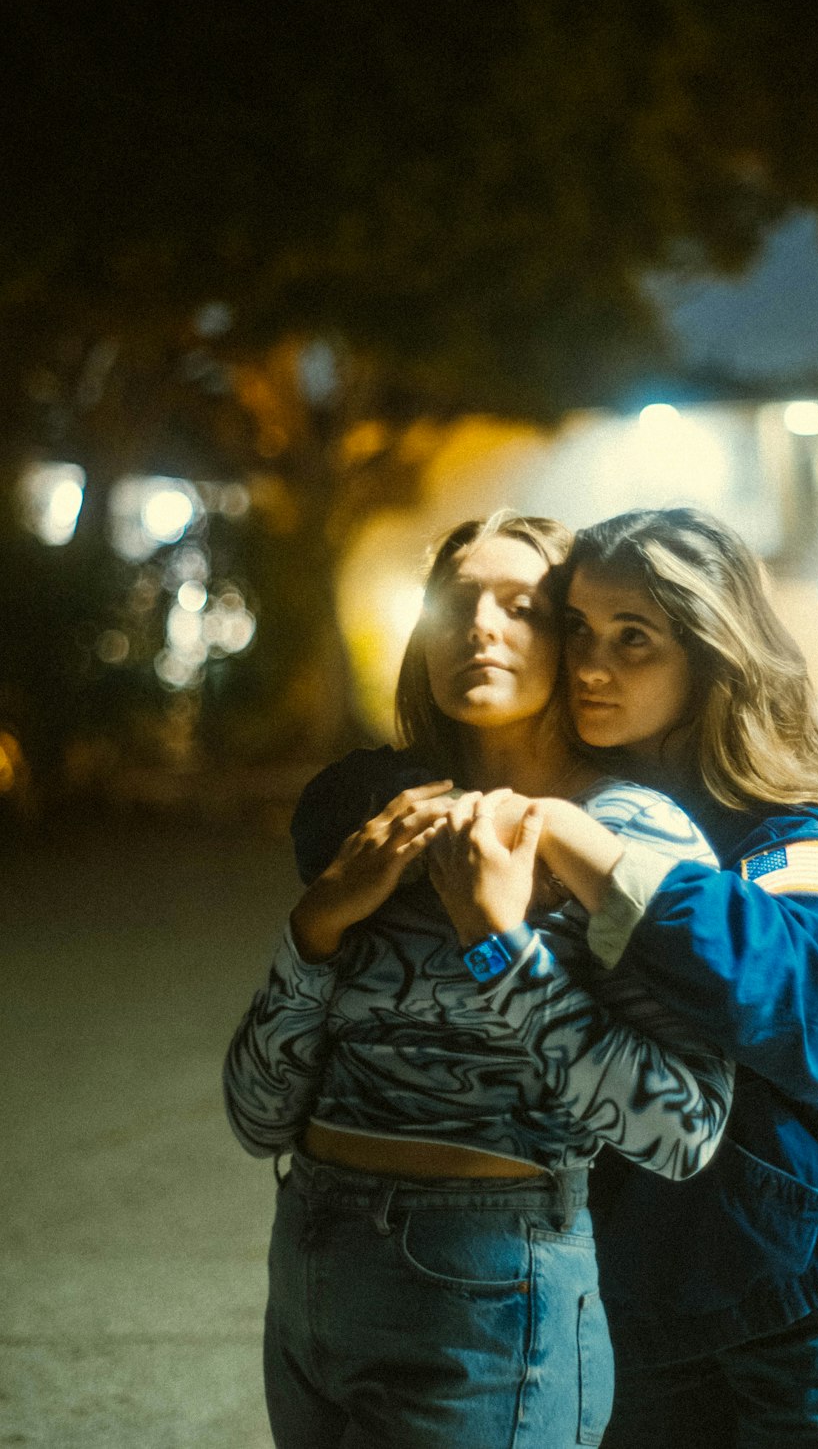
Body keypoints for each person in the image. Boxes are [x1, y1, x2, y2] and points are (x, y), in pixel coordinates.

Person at [296, 505, 818, 1448]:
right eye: (579, 630)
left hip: (805, 1299)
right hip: (630, 1299)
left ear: (712, 654)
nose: (593, 666)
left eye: (634, 639)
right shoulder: (554, 795)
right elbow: (345, 804)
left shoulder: (781, 832)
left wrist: (582, 845)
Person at [224, 512, 733, 1449]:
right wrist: (320, 923)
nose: (480, 628)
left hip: (489, 1287)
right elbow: (257, 1117)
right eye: (455, 603)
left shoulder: (628, 835)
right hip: (309, 1263)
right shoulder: (379, 818)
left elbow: (682, 1130)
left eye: (523, 607)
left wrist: (500, 944)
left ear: (571, 641)